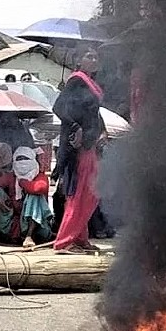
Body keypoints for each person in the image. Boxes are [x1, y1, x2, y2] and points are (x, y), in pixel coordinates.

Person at [51, 48, 105, 254]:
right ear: (79, 60)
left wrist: (102, 130)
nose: (93, 59)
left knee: (89, 193)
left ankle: (80, 237)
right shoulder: (77, 81)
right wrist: (76, 129)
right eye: (89, 56)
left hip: (90, 145)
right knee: (79, 193)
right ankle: (65, 241)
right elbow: (59, 107)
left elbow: (93, 113)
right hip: (78, 147)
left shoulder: (89, 84)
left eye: (95, 56)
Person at [11, 146, 54, 248]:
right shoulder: (12, 177)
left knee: (34, 197)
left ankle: (29, 235)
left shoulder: (40, 177)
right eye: (19, 159)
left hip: (41, 226)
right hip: (17, 223)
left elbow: (38, 189)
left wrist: (23, 182)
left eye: (25, 159)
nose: (22, 163)